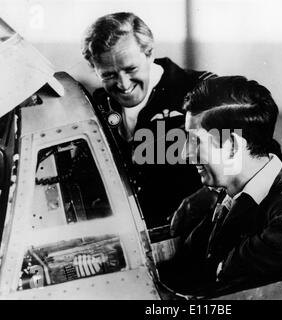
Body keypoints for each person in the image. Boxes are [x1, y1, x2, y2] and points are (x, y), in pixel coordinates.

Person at [169, 76, 282, 293]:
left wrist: (222, 267)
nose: (185, 154)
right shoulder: (225, 197)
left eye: (195, 141)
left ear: (233, 147)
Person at [81, 12, 216, 228]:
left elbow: (260, 160)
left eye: (130, 69)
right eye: (109, 75)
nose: (123, 84)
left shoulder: (203, 91)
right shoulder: (94, 108)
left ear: (149, 53)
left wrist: (210, 195)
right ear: (95, 70)